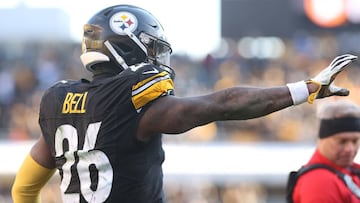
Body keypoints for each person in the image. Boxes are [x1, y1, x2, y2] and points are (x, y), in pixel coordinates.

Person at [11, 4, 357, 203]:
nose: (157, 58)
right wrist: (305, 89)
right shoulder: (132, 100)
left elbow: (23, 188)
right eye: (151, 49)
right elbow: (224, 104)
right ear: (127, 47)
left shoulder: (58, 100)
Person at [291, 99, 360, 203]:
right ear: (322, 139)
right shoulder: (319, 182)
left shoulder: (350, 169)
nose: (349, 149)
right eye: (342, 141)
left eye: (355, 141)